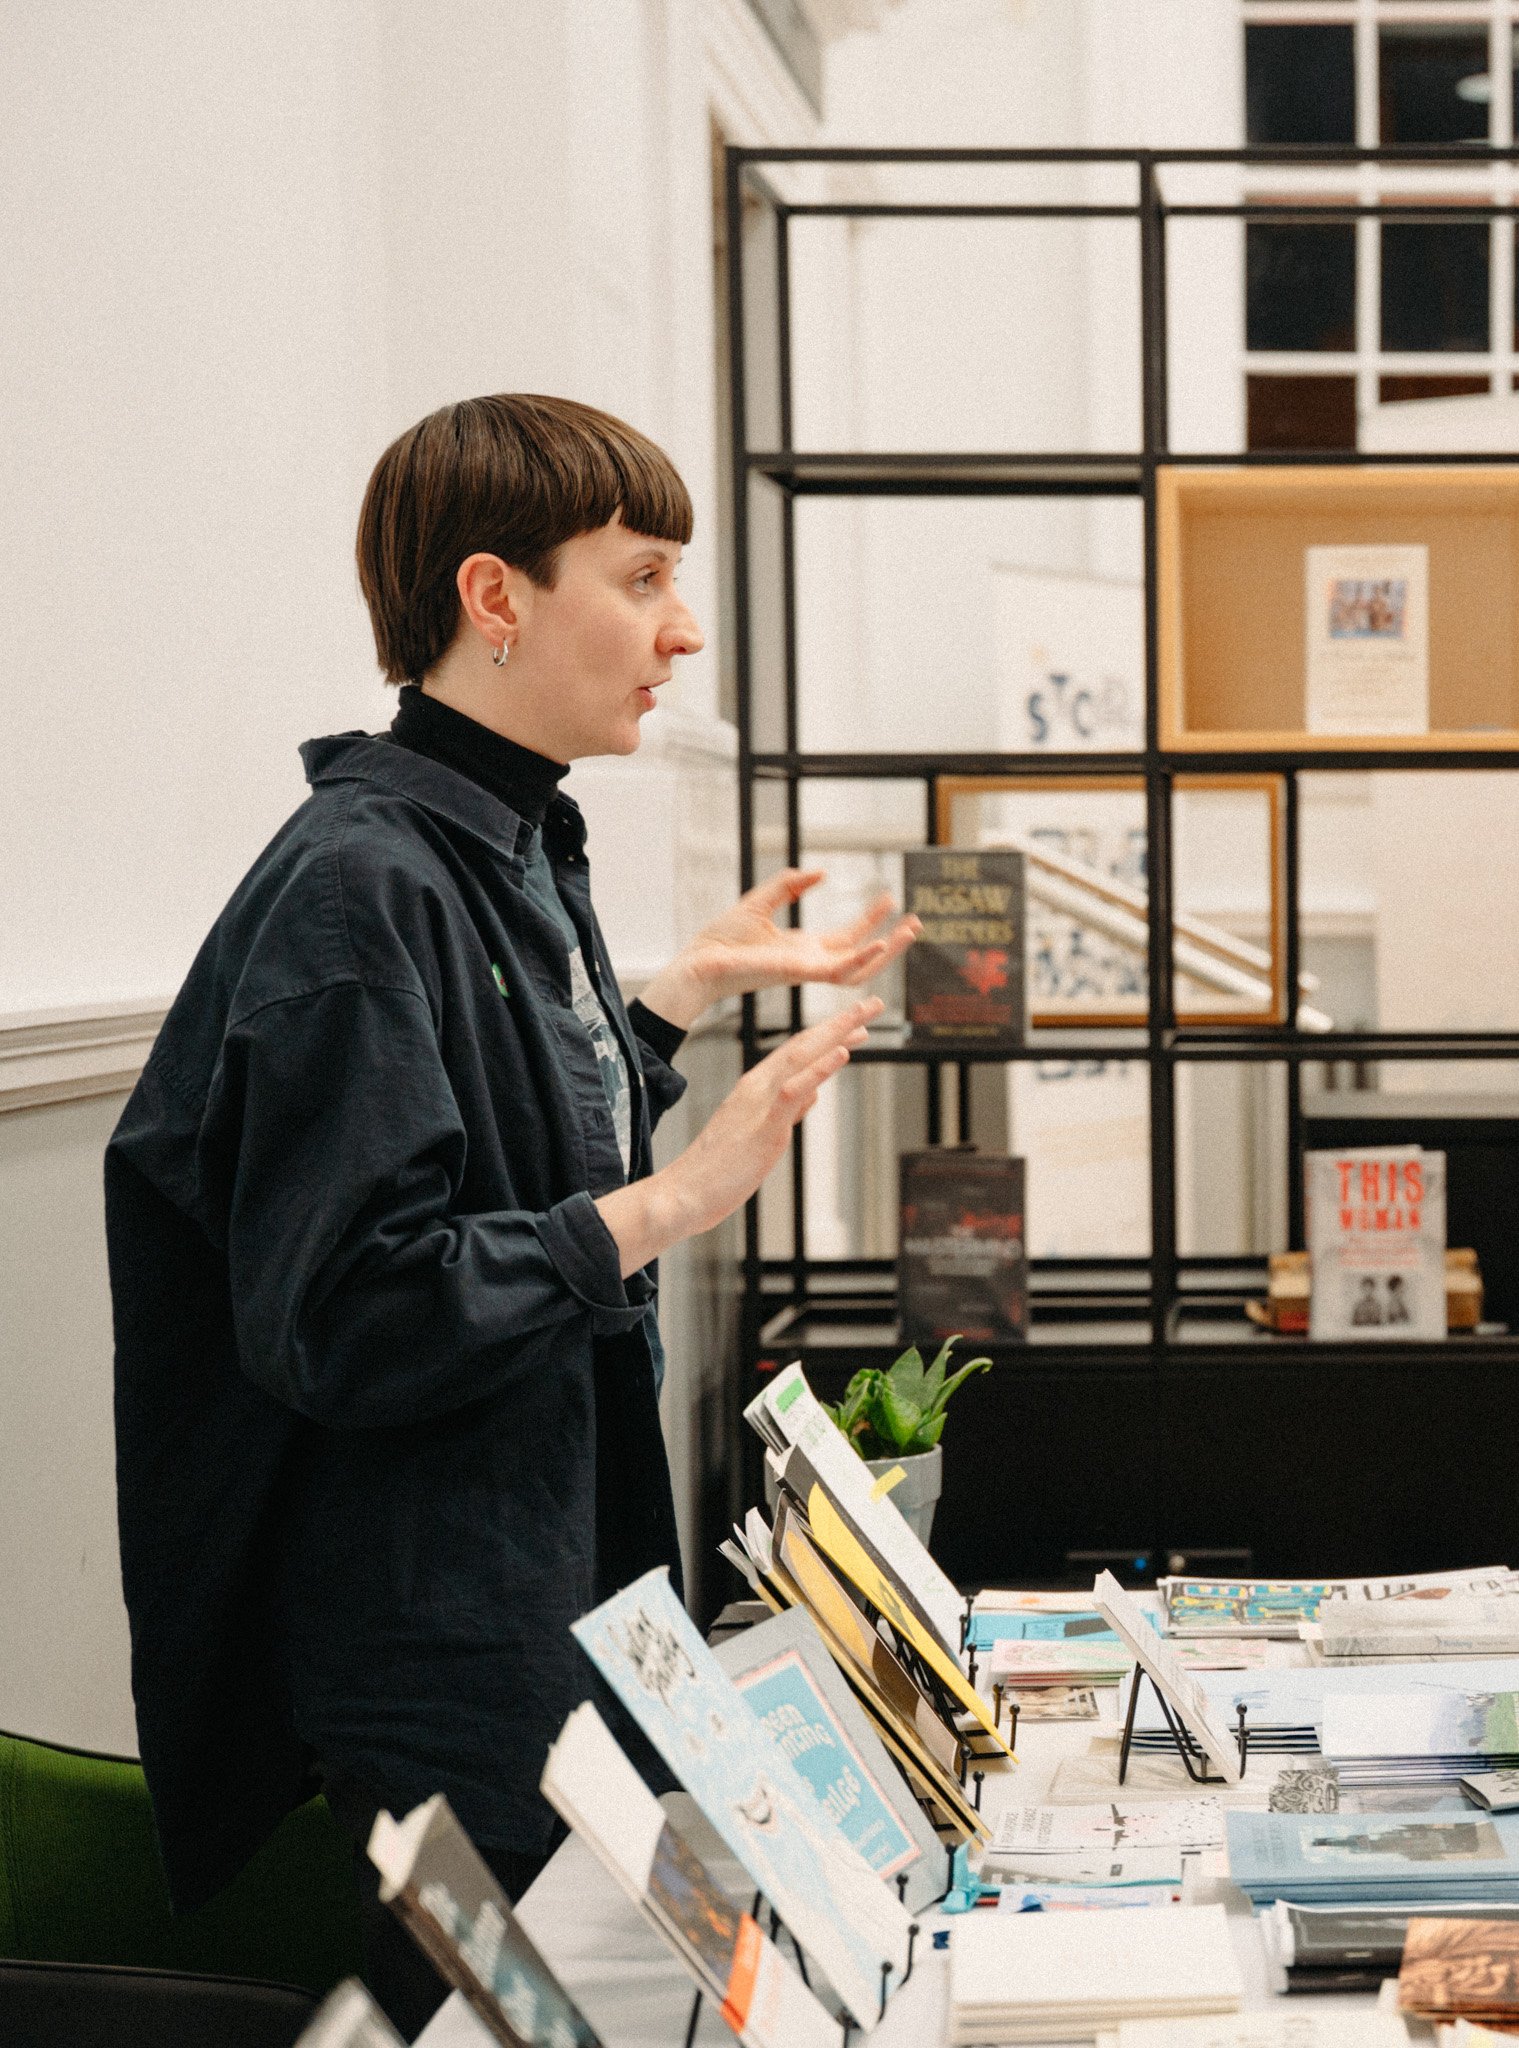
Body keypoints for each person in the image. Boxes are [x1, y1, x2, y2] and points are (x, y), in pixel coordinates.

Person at [105, 393, 916, 2033]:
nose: (682, 632)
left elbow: (503, 1142)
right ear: (495, 598)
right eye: (642, 578)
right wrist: (679, 1196)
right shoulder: (358, 885)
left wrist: (673, 1000)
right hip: (438, 1640)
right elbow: (351, 1308)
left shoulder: (511, 841)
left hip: (555, 1587)